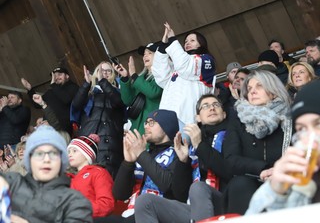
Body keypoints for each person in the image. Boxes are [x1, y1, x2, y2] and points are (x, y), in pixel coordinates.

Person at [134, 94, 232, 222]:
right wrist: (183, 161)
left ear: (224, 114)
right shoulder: (189, 147)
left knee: (198, 188)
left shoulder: (233, 135)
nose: (211, 108)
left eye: (216, 105)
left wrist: (200, 146)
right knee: (145, 201)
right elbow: (180, 195)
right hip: (192, 209)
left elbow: (230, 171)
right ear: (198, 118)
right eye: (206, 106)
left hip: (223, 202)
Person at [222, 70, 292, 215]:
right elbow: (231, 159)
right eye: (249, 89)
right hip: (251, 181)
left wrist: (279, 171)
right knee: (240, 184)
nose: (252, 91)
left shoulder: (290, 119)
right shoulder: (238, 121)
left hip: (286, 179)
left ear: (273, 91)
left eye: (259, 86)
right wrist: (263, 169)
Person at [246, 79, 320, 214]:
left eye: (318, 124)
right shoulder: (302, 183)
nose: (310, 136)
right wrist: (275, 190)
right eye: (302, 129)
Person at [0, 125, 92, 222]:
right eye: (39, 154)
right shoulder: (13, 183)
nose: (46, 159)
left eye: (53, 154)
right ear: (29, 159)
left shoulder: (74, 201)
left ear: (62, 160)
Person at [112, 109, 179, 223]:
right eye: (146, 122)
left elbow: (167, 184)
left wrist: (142, 154)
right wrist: (128, 163)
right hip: (131, 214)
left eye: (152, 122)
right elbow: (120, 194)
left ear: (167, 126)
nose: (147, 126)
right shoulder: (144, 153)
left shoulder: (178, 152)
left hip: (157, 216)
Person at [152, 22, 215, 142]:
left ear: (201, 43)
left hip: (185, 119)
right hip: (165, 117)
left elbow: (185, 66)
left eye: (192, 40)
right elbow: (161, 76)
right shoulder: (179, 63)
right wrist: (163, 46)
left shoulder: (206, 60)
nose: (187, 43)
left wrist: (172, 40)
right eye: (185, 41)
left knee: (181, 156)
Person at [71, 62, 125, 178]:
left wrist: (103, 82)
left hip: (109, 139)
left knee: (106, 175)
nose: (104, 72)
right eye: (101, 70)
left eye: (108, 70)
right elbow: (76, 105)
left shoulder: (118, 89)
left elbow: (118, 102)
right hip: (88, 135)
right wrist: (86, 84)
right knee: (85, 175)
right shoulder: (90, 91)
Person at [114, 43, 163, 135]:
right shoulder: (141, 77)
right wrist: (125, 77)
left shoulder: (163, 76)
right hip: (136, 125)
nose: (145, 56)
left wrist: (134, 76)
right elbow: (127, 100)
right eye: (144, 54)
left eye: (150, 53)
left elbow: (153, 92)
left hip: (153, 125)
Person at [67, 133, 115, 219]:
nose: (70, 154)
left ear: (87, 154)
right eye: (69, 152)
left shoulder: (99, 172)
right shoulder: (69, 178)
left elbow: (106, 204)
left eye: (74, 151)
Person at [21, 66, 79, 135]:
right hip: (48, 128)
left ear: (67, 76)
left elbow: (66, 99)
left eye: (60, 74)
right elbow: (37, 105)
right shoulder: (51, 91)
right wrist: (30, 90)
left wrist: (54, 85)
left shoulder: (73, 87)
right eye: (54, 76)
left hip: (63, 128)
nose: (56, 77)